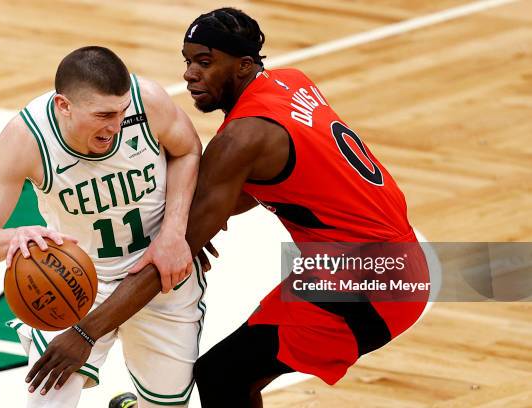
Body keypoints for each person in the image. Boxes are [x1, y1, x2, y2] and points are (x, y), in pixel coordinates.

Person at [23, 8, 430, 408]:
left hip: (366, 285)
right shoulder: (290, 82)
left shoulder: (241, 139)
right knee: (232, 372)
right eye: (187, 61)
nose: (189, 74)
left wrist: (85, 334)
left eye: (205, 62)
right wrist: (205, 223)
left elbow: (168, 258)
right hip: (396, 263)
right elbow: (280, 179)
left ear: (244, 65)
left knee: (223, 375)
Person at [0, 46, 206, 407]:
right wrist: (16, 236)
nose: (117, 125)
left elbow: (187, 150)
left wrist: (174, 230)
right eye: (104, 115)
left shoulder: (147, 100)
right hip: (76, 282)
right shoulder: (26, 138)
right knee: (46, 400)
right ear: (64, 106)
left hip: (157, 276)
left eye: (122, 112)